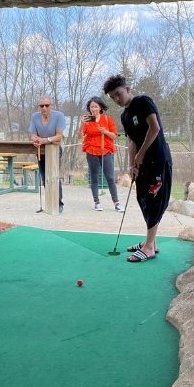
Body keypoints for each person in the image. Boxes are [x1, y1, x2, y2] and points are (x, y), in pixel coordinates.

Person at [103, 74, 172, 263]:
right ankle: (151, 242)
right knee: (143, 198)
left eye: (118, 94)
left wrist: (141, 155)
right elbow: (132, 140)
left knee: (154, 200)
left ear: (127, 89)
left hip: (157, 159)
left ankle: (149, 247)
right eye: (112, 97)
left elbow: (154, 128)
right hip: (143, 162)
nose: (117, 99)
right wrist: (132, 163)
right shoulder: (125, 115)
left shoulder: (143, 101)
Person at [80, 96, 123, 212]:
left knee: (109, 176)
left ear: (100, 108)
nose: (93, 109)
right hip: (91, 151)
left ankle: (117, 202)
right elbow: (81, 136)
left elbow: (114, 135)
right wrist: (82, 124)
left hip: (105, 150)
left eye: (95, 106)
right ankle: (97, 202)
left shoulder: (107, 119)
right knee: (94, 177)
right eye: (91, 106)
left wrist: (106, 131)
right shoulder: (87, 121)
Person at [29, 95, 65, 213]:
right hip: (41, 150)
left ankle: (59, 203)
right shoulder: (35, 117)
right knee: (44, 177)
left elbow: (59, 136)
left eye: (47, 105)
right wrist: (34, 139)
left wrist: (46, 140)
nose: (44, 108)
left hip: (54, 149)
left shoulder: (59, 116)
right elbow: (32, 134)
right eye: (41, 106)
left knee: (53, 176)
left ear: (51, 105)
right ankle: (49, 201)